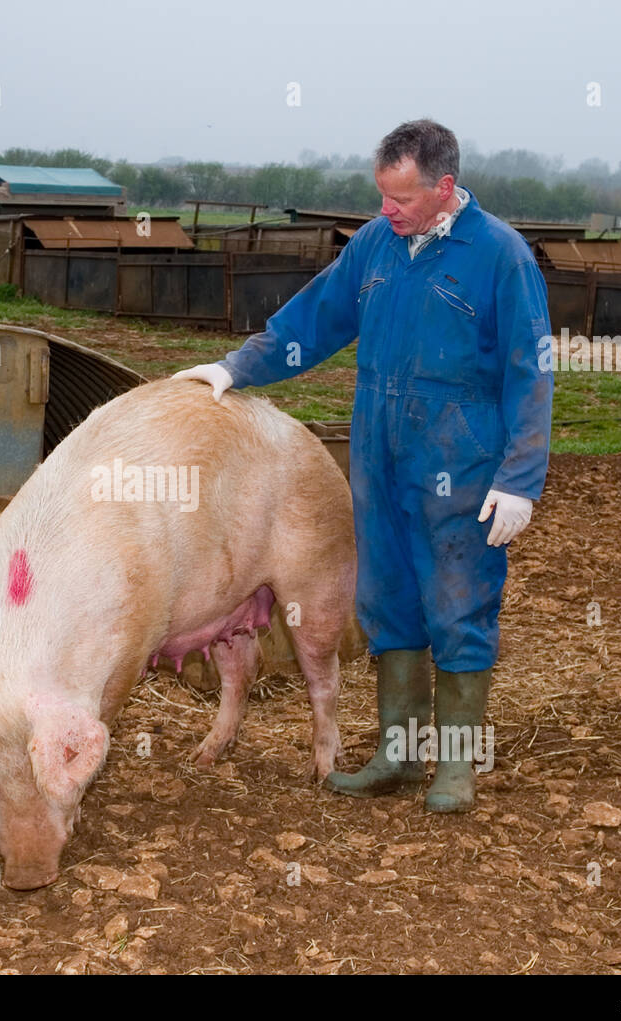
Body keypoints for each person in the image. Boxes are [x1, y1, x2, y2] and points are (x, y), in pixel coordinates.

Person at [173, 119, 552, 812]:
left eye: (400, 198)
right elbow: (311, 320)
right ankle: (399, 758)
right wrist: (234, 368)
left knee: (458, 608)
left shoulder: (500, 256)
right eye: (381, 195)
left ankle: (457, 769)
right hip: (380, 461)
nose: (386, 211)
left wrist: (520, 479)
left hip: (462, 465)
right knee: (390, 608)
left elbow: (533, 372)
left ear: (445, 187)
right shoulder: (377, 247)